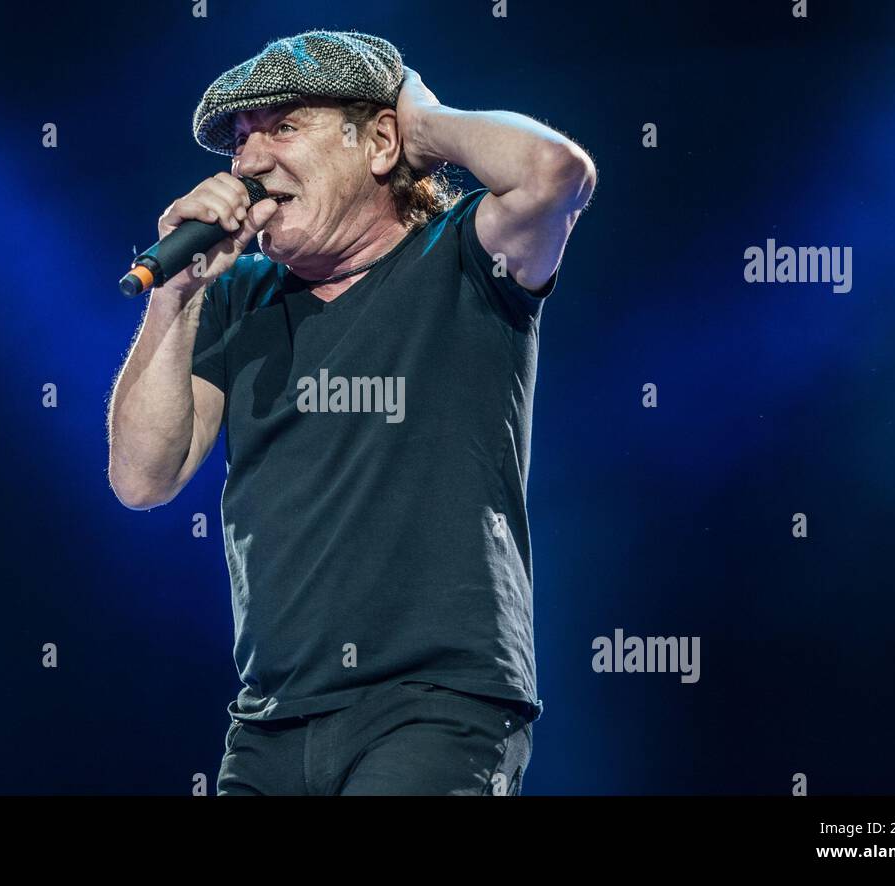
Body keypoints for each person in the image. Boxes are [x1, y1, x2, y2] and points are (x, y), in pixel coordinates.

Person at [106, 30, 595, 795]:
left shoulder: (466, 255)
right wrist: (176, 295)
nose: (251, 162)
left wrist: (420, 125)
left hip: (435, 709)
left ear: (376, 142)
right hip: (269, 724)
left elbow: (555, 173)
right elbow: (141, 477)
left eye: (284, 127)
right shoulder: (235, 296)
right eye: (241, 141)